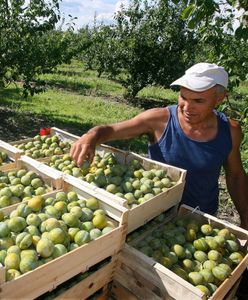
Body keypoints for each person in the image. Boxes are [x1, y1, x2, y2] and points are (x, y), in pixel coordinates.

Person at [70, 62, 248, 230]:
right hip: (154, 220)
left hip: (199, 219)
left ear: (219, 98)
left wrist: (246, 217)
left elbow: (236, 176)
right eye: (183, 97)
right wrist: (93, 135)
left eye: (198, 101)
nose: (187, 107)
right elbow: (110, 130)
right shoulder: (158, 120)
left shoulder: (229, 131)